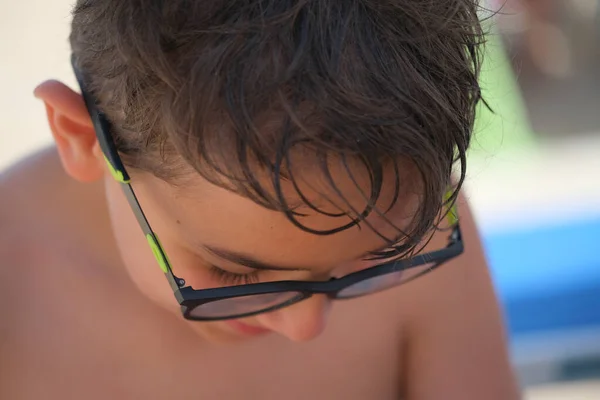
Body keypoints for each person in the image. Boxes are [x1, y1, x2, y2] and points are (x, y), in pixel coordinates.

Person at [0, 1, 520, 399]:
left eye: (375, 259)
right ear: (85, 140)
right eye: (233, 273)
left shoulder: (418, 221)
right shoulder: (15, 311)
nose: (305, 327)